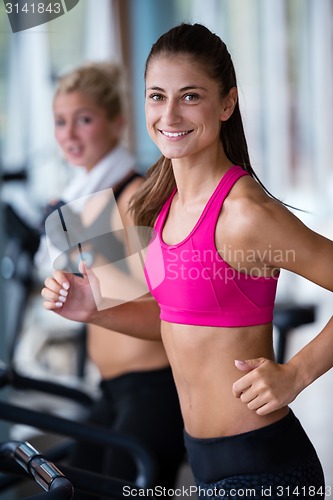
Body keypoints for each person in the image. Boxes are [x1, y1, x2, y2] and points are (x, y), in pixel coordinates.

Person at [41, 24, 333, 499]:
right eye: (157, 96)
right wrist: (94, 308)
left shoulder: (244, 213)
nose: (169, 113)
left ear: (226, 104)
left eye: (190, 96)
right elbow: (172, 322)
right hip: (205, 465)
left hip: (263, 468)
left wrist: (296, 374)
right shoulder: (163, 203)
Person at [38, 62, 185, 498]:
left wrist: (79, 241)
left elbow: (157, 306)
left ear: (118, 122)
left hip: (152, 389)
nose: (70, 134)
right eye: (60, 122)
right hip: (113, 390)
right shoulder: (86, 198)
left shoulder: (137, 195)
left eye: (84, 119)